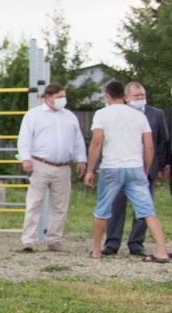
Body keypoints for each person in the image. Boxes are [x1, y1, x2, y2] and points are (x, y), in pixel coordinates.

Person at [85, 80, 170, 262]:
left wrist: (90, 169)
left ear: (107, 95)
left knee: (103, 209)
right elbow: (149, 147)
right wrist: (146, 169)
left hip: (111, 168)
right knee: (147, 210)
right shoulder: (139, 116)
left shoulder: (102, 114)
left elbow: (97, 142)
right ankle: (161, 250)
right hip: (135, 167)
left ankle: (97, 250)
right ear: (124, 96)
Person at [16, 83, 88, 253]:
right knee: (34, 203)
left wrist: (81, 159)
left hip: (63, 166)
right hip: (40, 164)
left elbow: (78, 140)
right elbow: (25, 138)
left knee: (60, 206)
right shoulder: (34, 115)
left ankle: (54, 240)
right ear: (48, 98)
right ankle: (29, 240)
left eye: (64, 96)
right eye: (59, 97)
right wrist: (25, 158)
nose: (63, 100)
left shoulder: (70, 117)